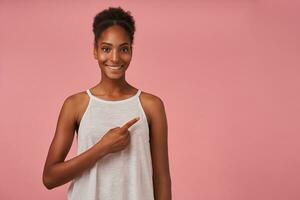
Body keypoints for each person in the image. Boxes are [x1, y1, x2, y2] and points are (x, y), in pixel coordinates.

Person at [42, 6, 172, 200]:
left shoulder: (151, 105)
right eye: (106, 49)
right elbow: (50, 178)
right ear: (95, 51)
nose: (115, 58)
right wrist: (102, 148)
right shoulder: (76, 105)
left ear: (131, 51)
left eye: (124, 49)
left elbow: (162, 178)